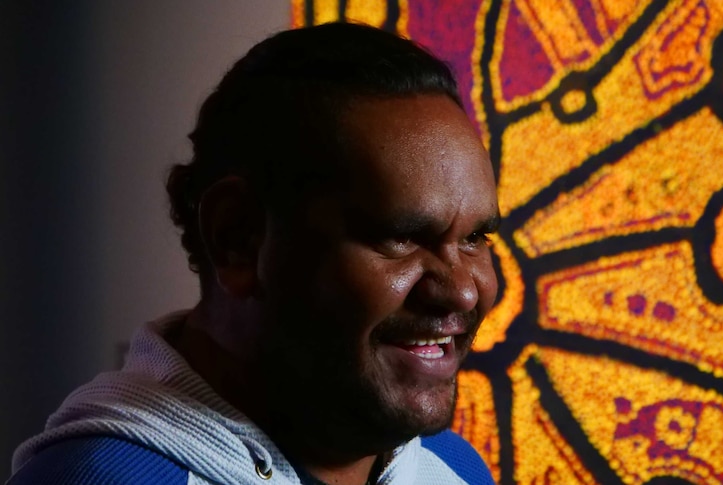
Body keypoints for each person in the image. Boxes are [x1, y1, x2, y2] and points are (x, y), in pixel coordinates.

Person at [8, 22, 499, 485]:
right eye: (402, 236)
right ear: (238, 238)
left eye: (475, 239)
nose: (460, 290)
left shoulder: (453, 467)